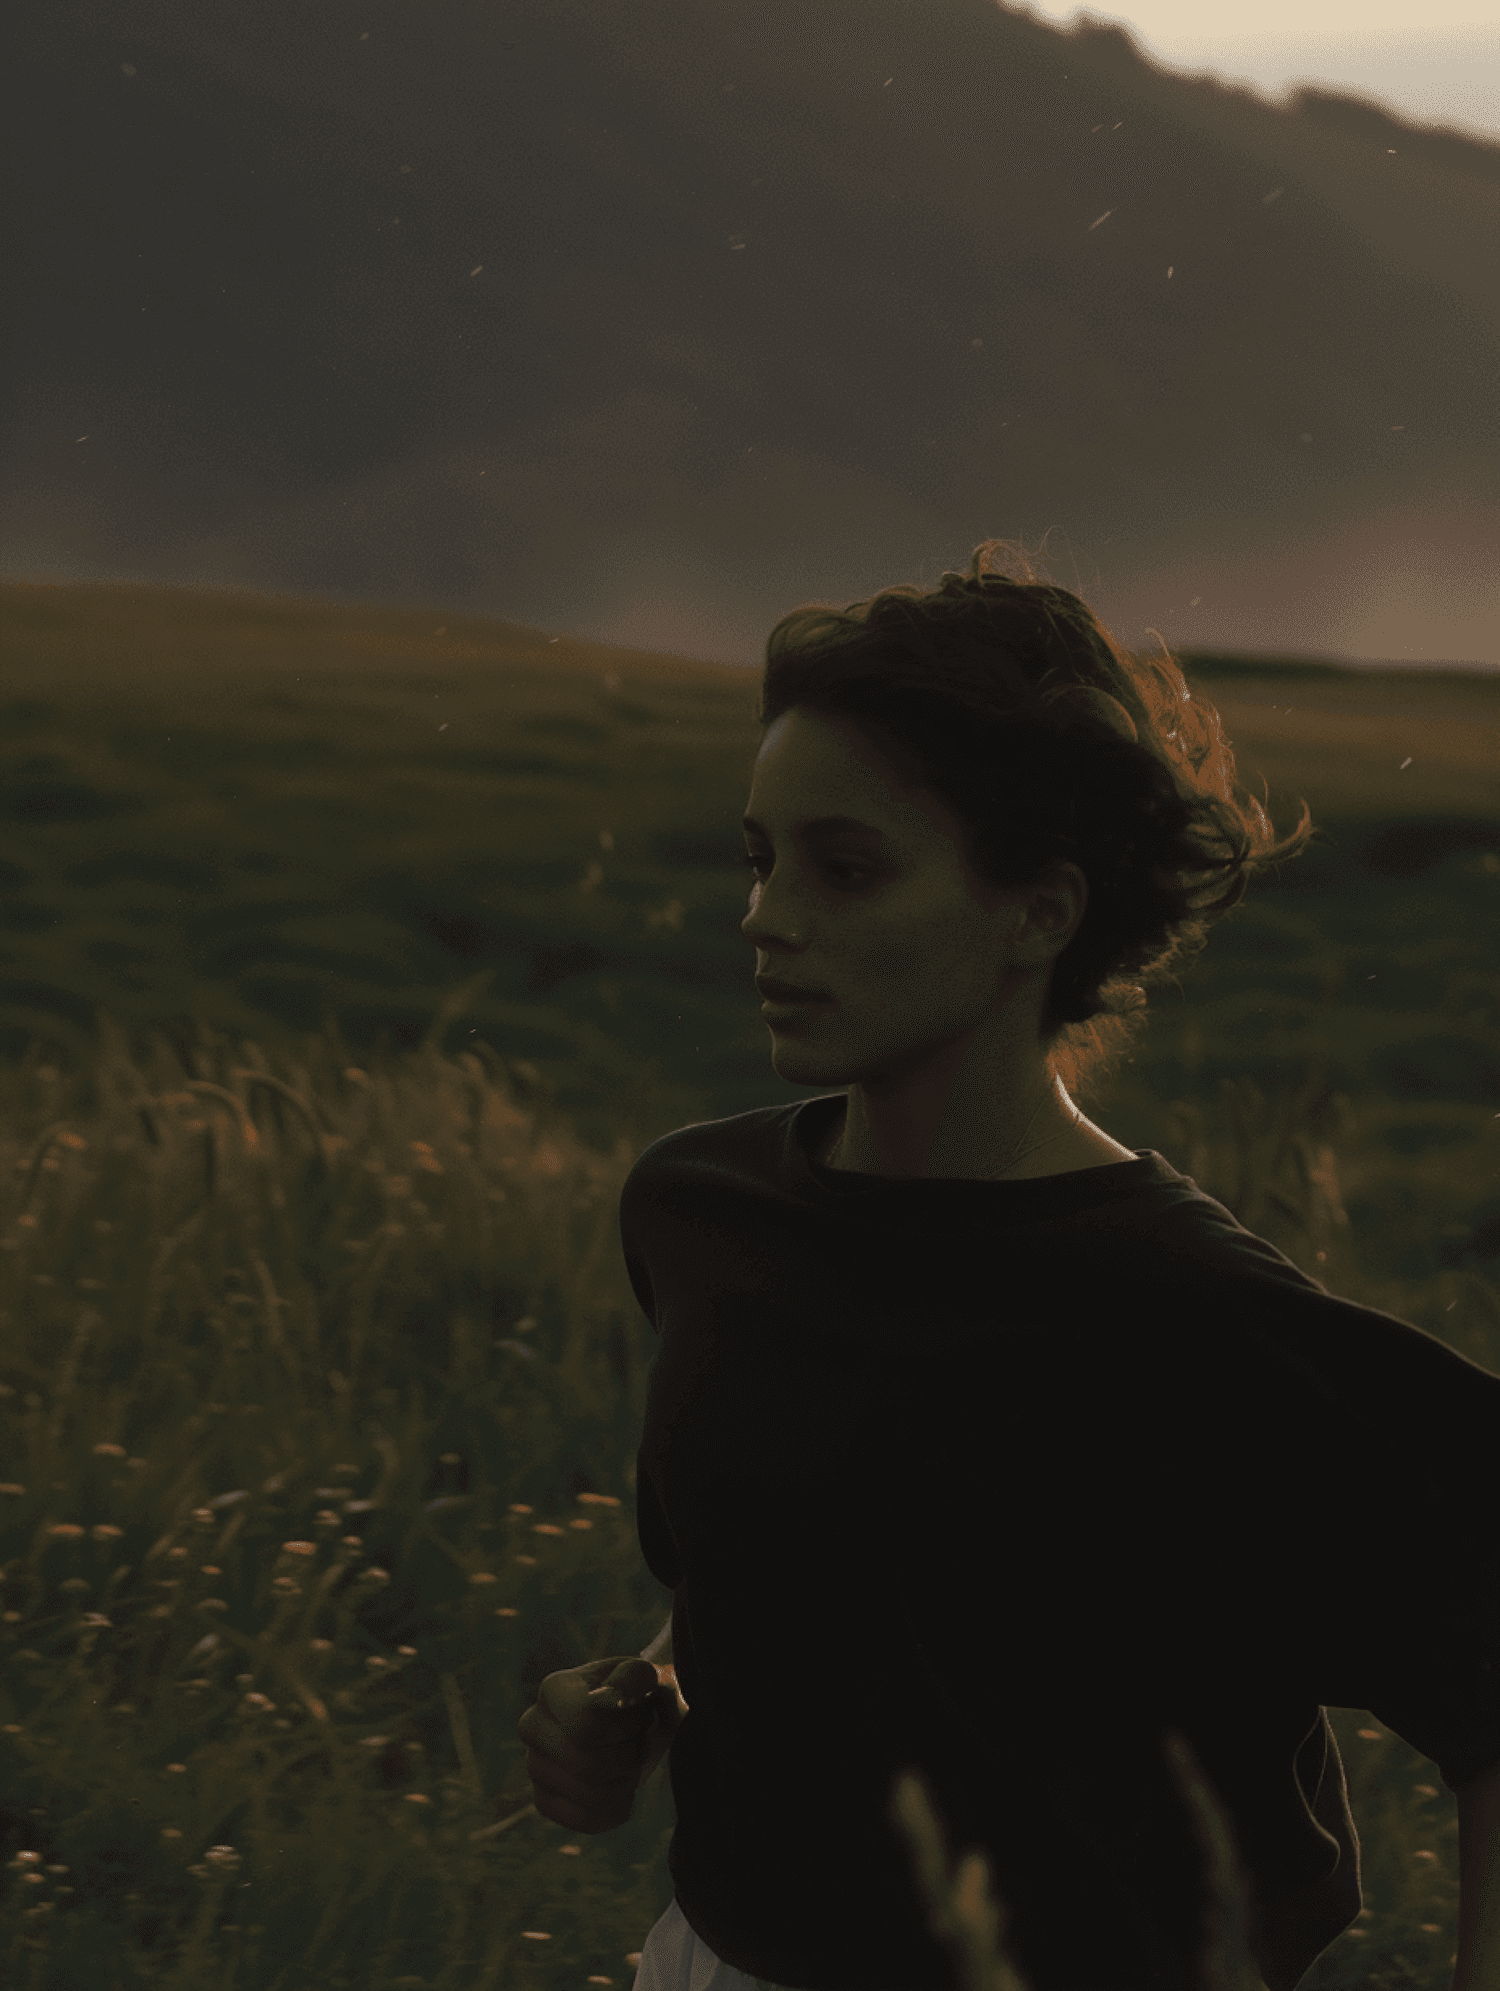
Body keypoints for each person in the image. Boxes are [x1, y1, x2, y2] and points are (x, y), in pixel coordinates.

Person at [523, 539, 1500, 1991]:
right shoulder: (700, 1211)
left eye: (846, 869)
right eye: (760, 857)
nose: (766, 915)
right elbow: (798, 1582)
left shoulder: (1197, 1322)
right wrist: (636, 1701)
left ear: (1038, 911)